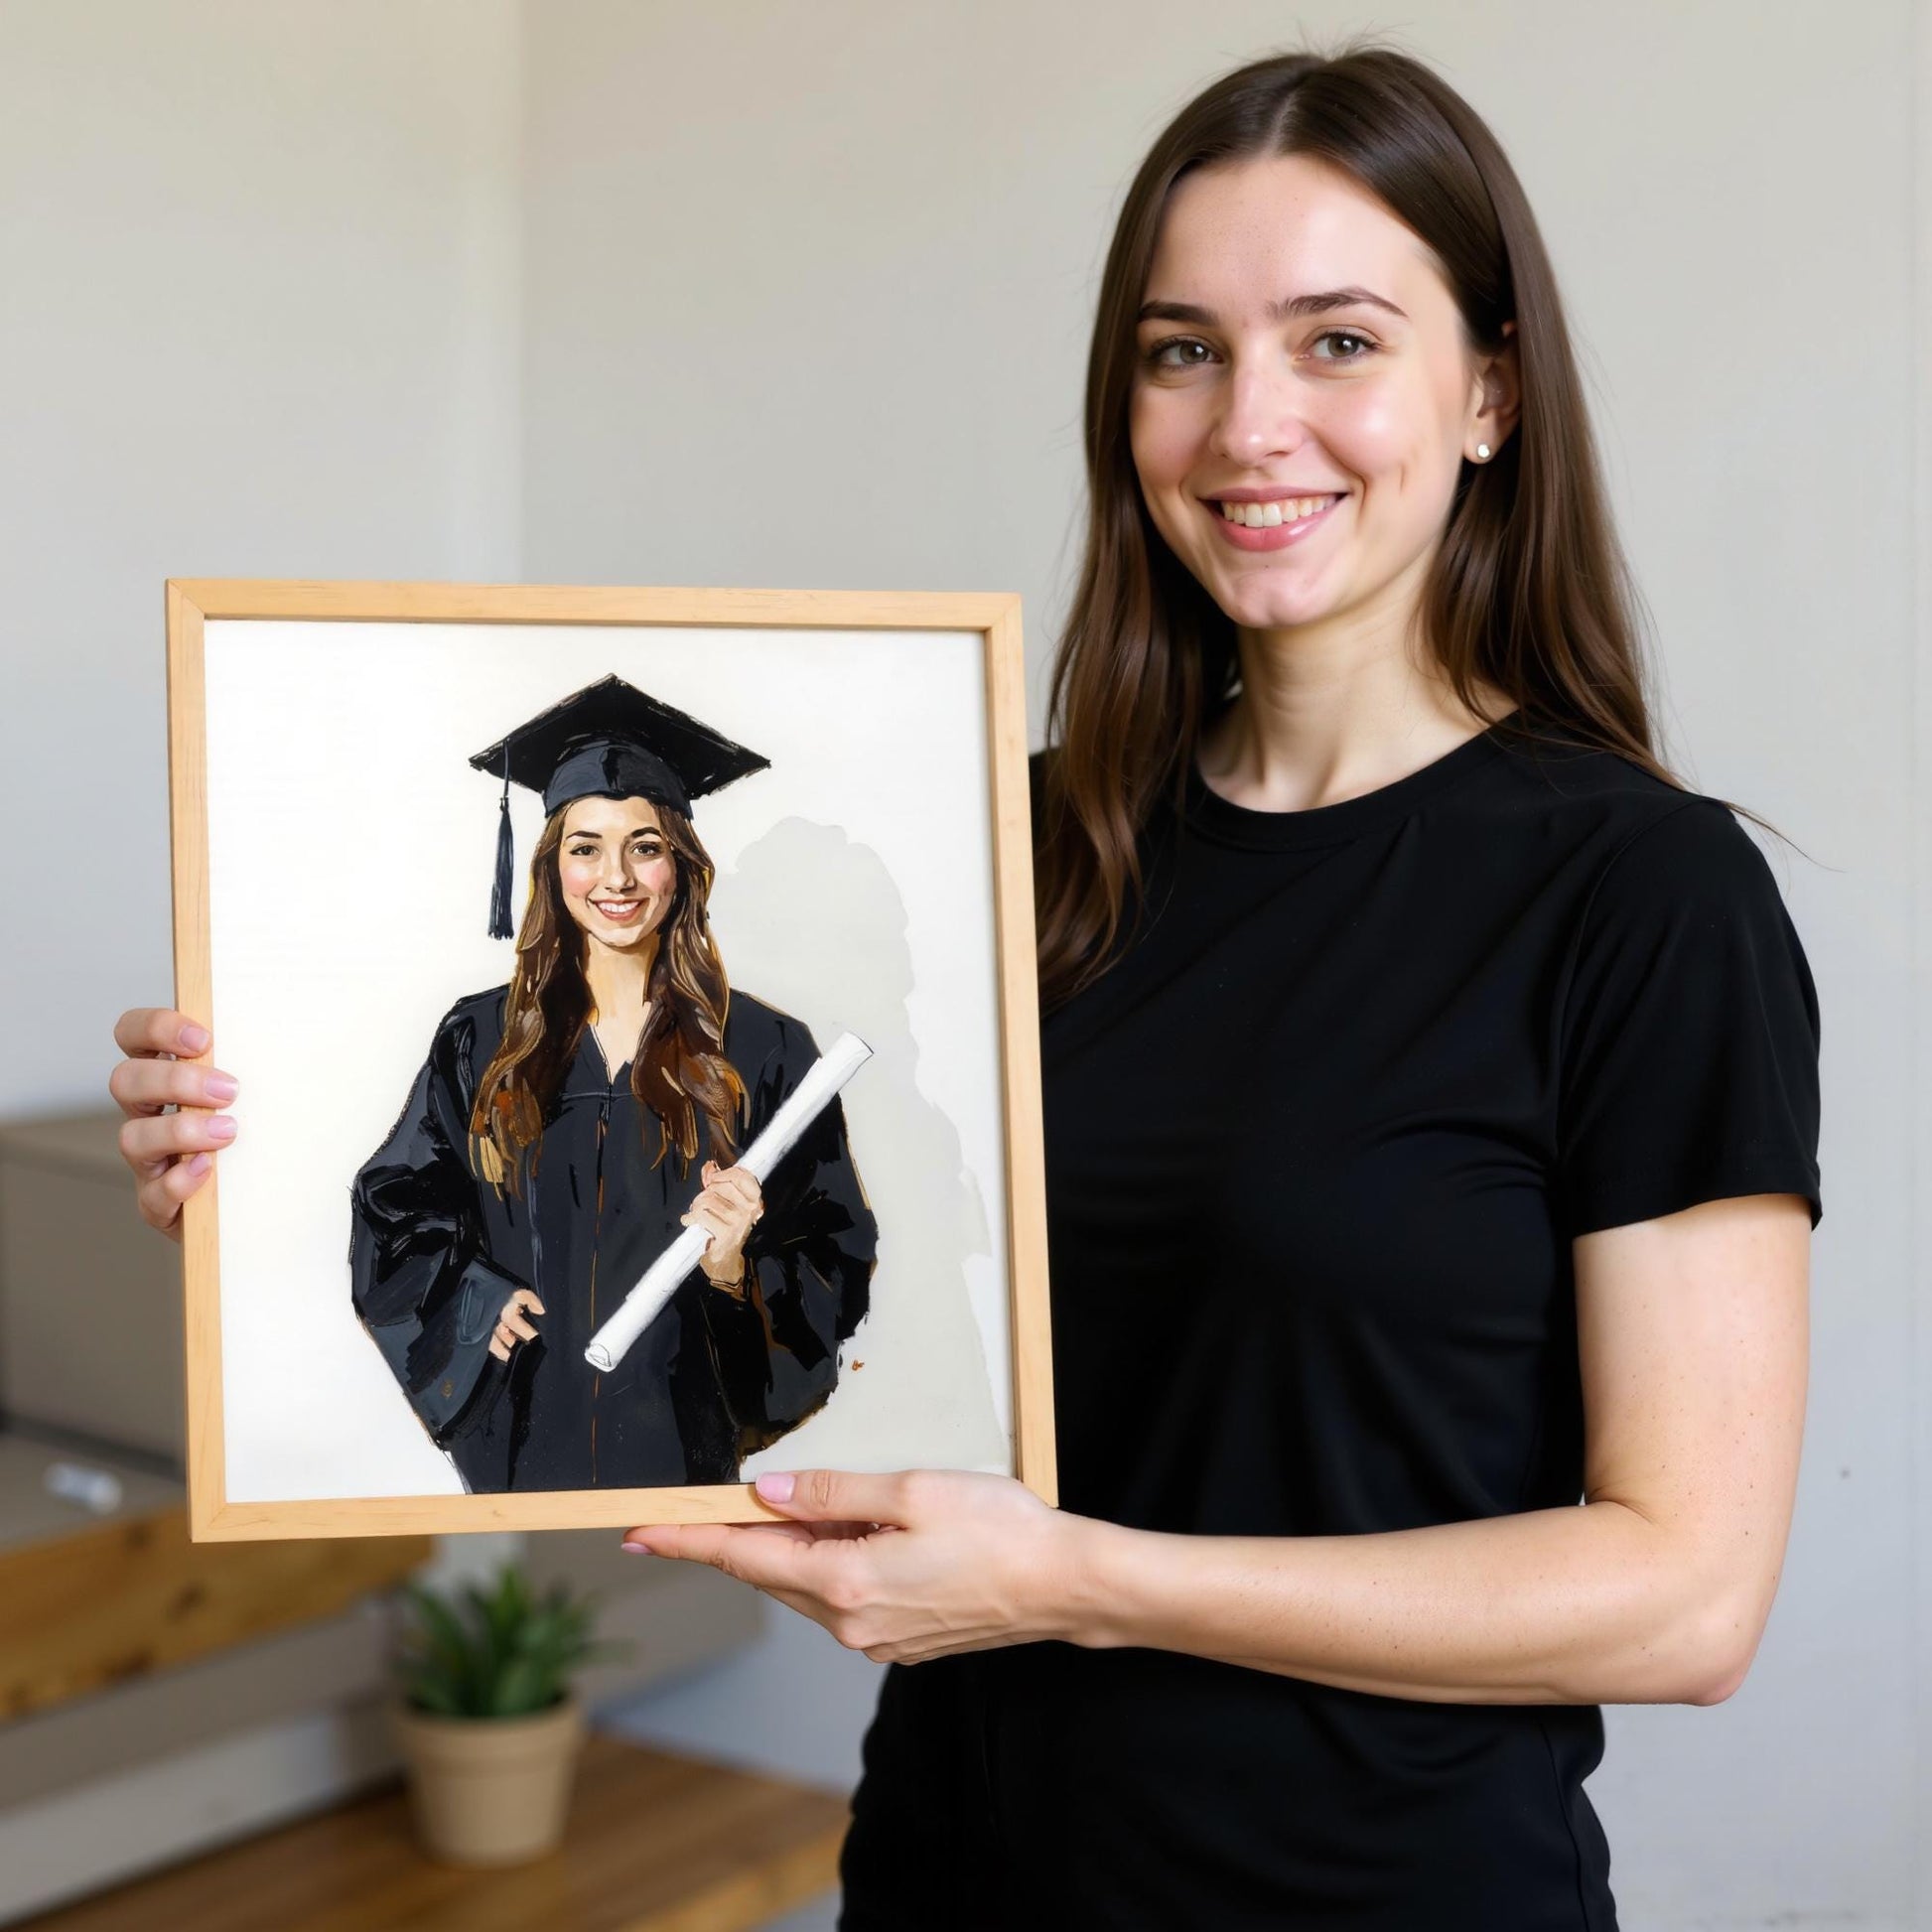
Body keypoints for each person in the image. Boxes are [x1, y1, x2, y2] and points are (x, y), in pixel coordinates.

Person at [109, 38, 1821, 1931]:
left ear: (1488, 390)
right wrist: (254, 1157)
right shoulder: (1009, 857)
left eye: (1338, 341)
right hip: (958, 1873)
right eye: (1183, 350)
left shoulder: (1640, 897)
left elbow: (1683, 1596)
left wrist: (1082, 1578)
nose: (1251, 423)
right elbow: (714, 1232)